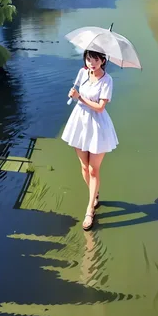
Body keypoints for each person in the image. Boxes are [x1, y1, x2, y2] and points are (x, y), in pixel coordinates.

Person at [62, 50, 118, 231]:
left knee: (94, 169)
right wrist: (73, 94)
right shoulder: (82, 72)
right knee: (84, 167)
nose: (91, 63)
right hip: (79, 122)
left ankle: (90, 209)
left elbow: (100, 108)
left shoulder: (107, 80)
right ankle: (94, 194)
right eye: (88, 59)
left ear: (103, 60)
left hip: (97, 126)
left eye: (95, 59)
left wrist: (81, 98)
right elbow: (77, 89)